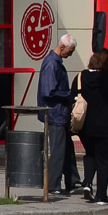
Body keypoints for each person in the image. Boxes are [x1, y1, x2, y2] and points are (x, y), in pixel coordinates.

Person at [75, 48, 108, 205]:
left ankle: (88, 183)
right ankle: (101, 196)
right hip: (106, 127)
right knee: (104, 160)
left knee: (90, 154)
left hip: (85, 127)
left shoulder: (81, 77)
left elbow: (72, 97)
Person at [38, 33, 81, 194]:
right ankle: (52, 184)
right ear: (61, 47)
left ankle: (73, 181)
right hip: (55, 113)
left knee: (67, 148)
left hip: (58, 113)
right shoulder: (51, 64)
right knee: (58, 149)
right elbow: (48, 92)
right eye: (69, 51)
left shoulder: (55, 62)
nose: (70, 54)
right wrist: (70, 95)